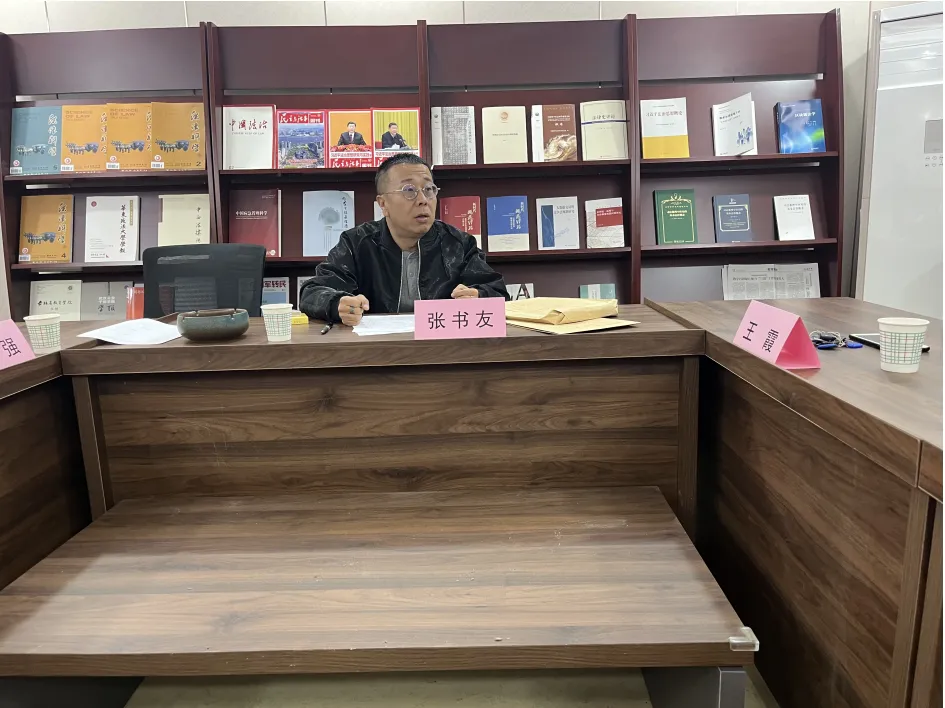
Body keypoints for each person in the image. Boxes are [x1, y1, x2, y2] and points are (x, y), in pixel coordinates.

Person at [299, 153, 508, 325]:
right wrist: (337, 304)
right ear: (383, 204)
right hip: (378, 352)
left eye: (429, 190)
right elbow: (312, 293)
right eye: (409, 191)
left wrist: (479, 297)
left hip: (444, 350)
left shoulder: (459, 244)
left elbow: (498, 292)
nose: (423, 200)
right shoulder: (357, 243)